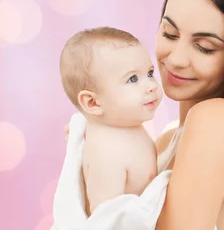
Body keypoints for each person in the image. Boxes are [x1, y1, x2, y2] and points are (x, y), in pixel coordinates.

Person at [63, 0, 224, 230]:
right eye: (169, 34)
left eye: (204, 47)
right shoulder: (163, 142)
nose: (177, 58)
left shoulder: (218, 120)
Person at [59, 27, 163, 216]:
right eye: (132, 79)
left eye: (149, 73)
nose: (151, 86)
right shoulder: (107, 153)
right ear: (93, 102)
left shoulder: (126, 126)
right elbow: (107, 220)